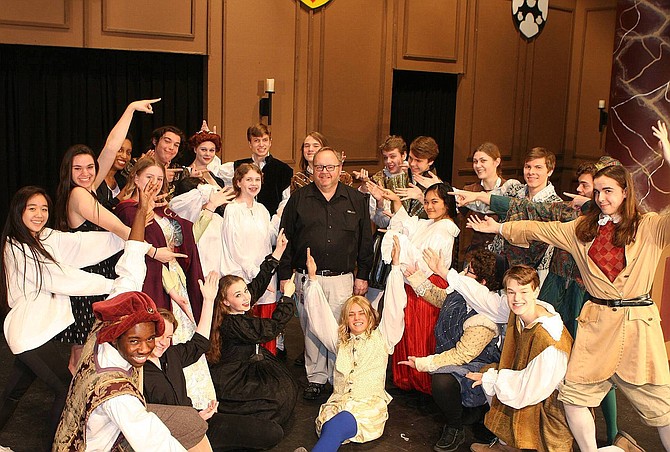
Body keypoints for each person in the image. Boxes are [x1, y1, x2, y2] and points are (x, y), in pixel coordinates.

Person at [466, 120, 670, 452]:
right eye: (599, 191)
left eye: (609, 191)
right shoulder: (581, 229)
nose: (602, 198)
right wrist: (500, 230)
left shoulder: (647, 227)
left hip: (638, 327)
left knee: (662, 411)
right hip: (597, 324)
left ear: (625, 193)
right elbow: (538, 229)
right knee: (574, 399)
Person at [54, 183, 211, 451]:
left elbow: (132, 262)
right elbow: (154, 441)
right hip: (101, 444)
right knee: (184, 427)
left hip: (102, 427)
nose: (145, 348)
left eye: (150, 338)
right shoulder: (117, 394)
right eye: (136, 342)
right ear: (118, 337)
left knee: (189, 423)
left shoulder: (108, 325)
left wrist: (141, 213)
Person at [0, 186, 125, 443]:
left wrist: (125, 235)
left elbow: (79, 244)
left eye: (44, 208)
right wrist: (111, 284)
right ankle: (53, 447)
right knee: (66, 388)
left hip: (34, 334)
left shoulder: (42, 238)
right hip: (28, 334)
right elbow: (58, 277)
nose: (39, 214)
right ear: (18, 211)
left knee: (14, 392)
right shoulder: (16, 246)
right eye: (32, 208)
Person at [53, 99, 166, 362]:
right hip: (90, 276)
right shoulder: (79, 195)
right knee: (85, 348)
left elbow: (111, 146)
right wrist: (152, 250)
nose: (85, 173)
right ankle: (80, 398)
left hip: (101, 270)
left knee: (89, 346)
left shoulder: (89, 186)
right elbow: (117, 228)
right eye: (77, 168)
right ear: (68, 171)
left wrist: (130, 109)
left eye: (89, 167)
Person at [115, 155, 218, 409]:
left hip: (174, 281)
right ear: (135, 178)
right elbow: (136, 244)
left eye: (159, 179)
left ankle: (191, 400)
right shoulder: (128, 210)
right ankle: (161, 400)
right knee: (158, 338)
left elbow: (186, 239)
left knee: (180, 340)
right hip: (152, 284)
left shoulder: (164, 210)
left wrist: (208, 210)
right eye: (149, 177)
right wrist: (155, 255)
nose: (154, 183)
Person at [279, 147, 374, 400]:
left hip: (343, 278)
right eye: (319, 167)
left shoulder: (356, 200)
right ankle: (316, 378)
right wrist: (284, 275)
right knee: (311, 329)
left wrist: (363, 274)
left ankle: (338, 376)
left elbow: (366, 241)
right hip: (307, 278)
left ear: (340, 168)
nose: (325, 172)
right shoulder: (298, 199)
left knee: (340, 329)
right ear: (311, 169)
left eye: (330, 167)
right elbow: (285, 239)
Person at [299, 237, 407, 451]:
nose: (357, 318)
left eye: (361, 313)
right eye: (351, 314)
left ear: (369, 316)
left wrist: (395, 269)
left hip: (367, 408)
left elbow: (394, 308)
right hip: (338, 404)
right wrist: (312, 278)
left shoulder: (383, 338)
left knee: (337, 427)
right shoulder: (341, 341)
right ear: (346, 319)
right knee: (332, 426)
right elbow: (320, 317)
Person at [398, 248, 503, 451]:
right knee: (441, 375)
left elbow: (462, 355)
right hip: (455, 357)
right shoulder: (462, 293)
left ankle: (456, 426)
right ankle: (466, 414)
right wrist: (416, 277)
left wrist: (423, 363)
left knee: (442, 380)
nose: (463, 273)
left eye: (470, 271)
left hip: (477, 364)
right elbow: (440, 298)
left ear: (482, 283)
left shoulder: (484, 318)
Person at [465, 265, 573, 452]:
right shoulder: (520, 314)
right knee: (491, 373)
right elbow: (482, 299)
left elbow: (531, 388)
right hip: (529, 386)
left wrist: (492, 378)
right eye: (511, 292)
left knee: (494, 379)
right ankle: (506, 445)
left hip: (550, 403)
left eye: (523, 291)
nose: (516, 298)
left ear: (536, 291)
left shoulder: (549, 337)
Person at [206, 230, 298, 442]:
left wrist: (276, 255)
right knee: (276, 397)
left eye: (244, 291)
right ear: (226, 301)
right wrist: (286, 297)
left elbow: (256, 286)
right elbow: (272, 328)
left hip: (245, 366)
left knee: (282, 390)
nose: (246, 297)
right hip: (234, 377)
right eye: (238, 295)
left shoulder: (235, 309)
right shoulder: (233, 323)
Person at [370, 182, 459, 395]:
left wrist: (403, 246)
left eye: (435, 202)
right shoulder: (432, 223)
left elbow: (427, 262)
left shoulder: (445, 228)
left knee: (422, 331)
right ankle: (408, 377)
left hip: (427, 285)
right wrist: (396, 202)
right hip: (413, 282)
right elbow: (410, 224)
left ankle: (421, 379)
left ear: (447, 204)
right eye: (426, 202)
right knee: (410, 327)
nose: (429, 206)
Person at [221, 163, 281, 353]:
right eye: (249, 179)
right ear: (239, 182)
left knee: (266, 328)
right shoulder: (232, 210)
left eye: (257, 179)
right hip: (245, 279)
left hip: (266, 278)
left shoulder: (262, 209)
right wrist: (258, 276)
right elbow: (235, 248)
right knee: (248, 332)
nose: (254, 184)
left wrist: (280, 216)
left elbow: (269, 237)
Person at [231, 123, 293, 216]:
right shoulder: (238, 166)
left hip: (272, 222)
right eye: (256, 140)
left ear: (270, 142)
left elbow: (286, 200)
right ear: (250, 144)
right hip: (243, 219)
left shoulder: (283, 169)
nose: (261, 144)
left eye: (265, 140)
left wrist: (276, 221)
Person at [96, 134, 133, 209]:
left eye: (128, 152)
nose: (124, 156)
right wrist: (127, 188)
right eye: (120, 150)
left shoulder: (122, 180)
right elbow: (100, 210)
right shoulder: (95, 178)